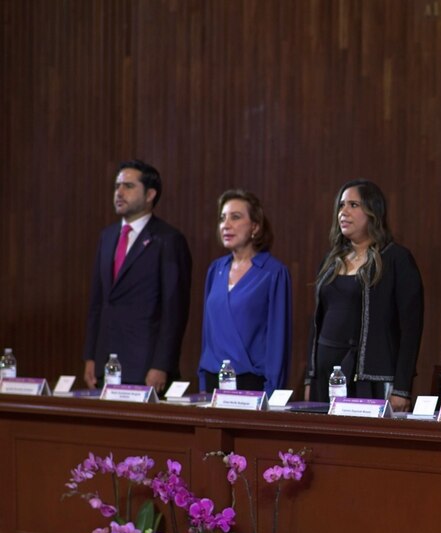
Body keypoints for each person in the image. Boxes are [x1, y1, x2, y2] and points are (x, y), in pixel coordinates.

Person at [306, 179, 423, 412]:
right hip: (326, 374)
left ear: (373, 212)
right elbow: (316, 323)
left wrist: (402, 388)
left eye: (353, 205)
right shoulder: (331, 260)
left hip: (370, 376)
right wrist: (310, 376)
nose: (343, 212)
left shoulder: (396, 259)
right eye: (341, 205)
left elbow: (411, 328)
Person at [83, 160, 192, 392]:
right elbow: (98, 304)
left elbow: (175, 311)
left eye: (128, 186)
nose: (119, 192)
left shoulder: (168, 240)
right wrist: (91, 356)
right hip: (106, 366)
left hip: (145, 367)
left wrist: (162, 364)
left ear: (150, 194)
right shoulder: (107, 236)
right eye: (117, 186)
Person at [198, 190, 291, 395]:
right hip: (214, 379)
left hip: (252, 383)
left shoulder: (273, 272)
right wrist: (203, 381)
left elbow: (278, 338)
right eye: (222, 218)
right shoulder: (216, 269)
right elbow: (208, 332)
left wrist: (273, 391)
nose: (226, 225)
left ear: (255, 227)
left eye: (236, 217)